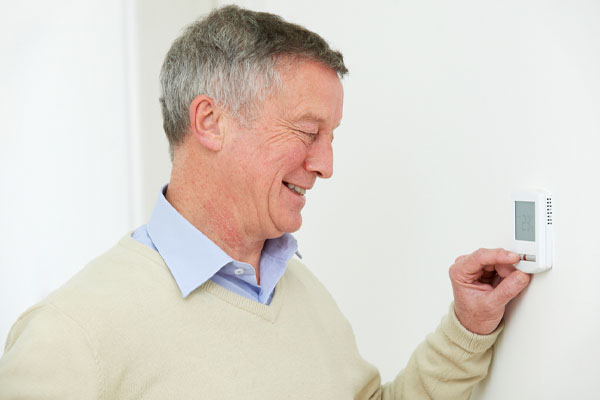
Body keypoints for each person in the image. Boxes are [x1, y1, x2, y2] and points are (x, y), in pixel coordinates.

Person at [0, 5, 531, 399]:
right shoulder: (68, 335)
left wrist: (467, 328)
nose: (326, 164)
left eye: (332, 135)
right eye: (307, 131)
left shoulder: (302, 294)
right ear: (210, 122)